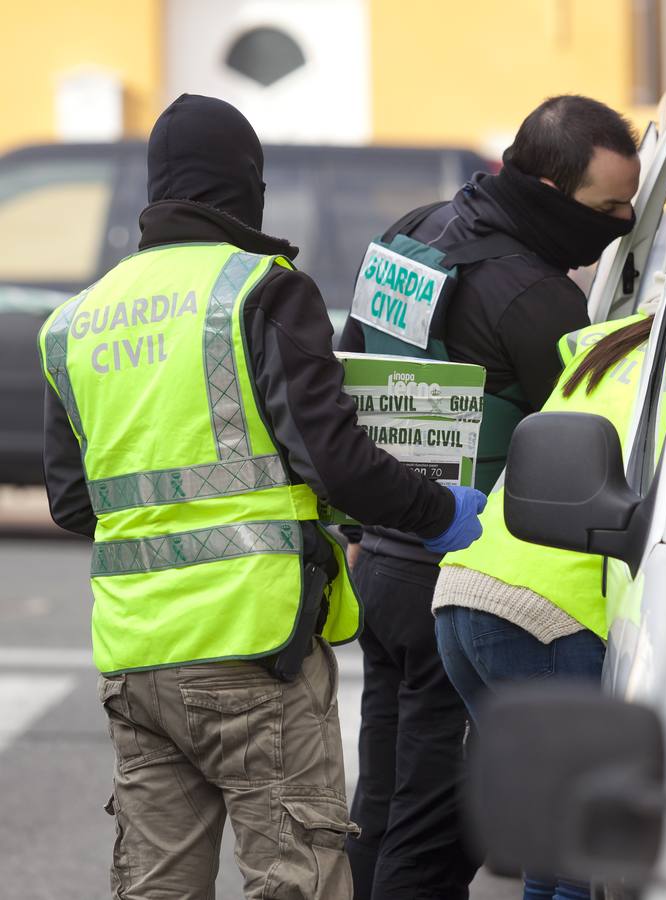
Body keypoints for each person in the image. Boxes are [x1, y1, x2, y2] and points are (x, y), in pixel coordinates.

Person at [38, 94, 485, 900]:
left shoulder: (74, 322)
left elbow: (74, 503)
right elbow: (336, 463)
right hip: (253, 650)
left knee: (156, 888)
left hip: (136, 659)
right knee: (297, 881)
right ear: (248, 185)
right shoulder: (260, 290)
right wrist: (439, 512)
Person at [338, 95, 641, 900]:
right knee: (436, 834)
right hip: (466, 570)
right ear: (546, 187)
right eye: (606, 208)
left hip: (386, 561)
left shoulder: (416, 230)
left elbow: (353, 370)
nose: (621, 221)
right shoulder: (536, 299)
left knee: (383, 805)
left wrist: (358, 526)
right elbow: (587, 433)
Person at [433, 312, 666, 900]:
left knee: (545, 830)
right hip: (546, 618)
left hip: (464, 595)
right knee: (580, 844)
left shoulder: (596, 362)